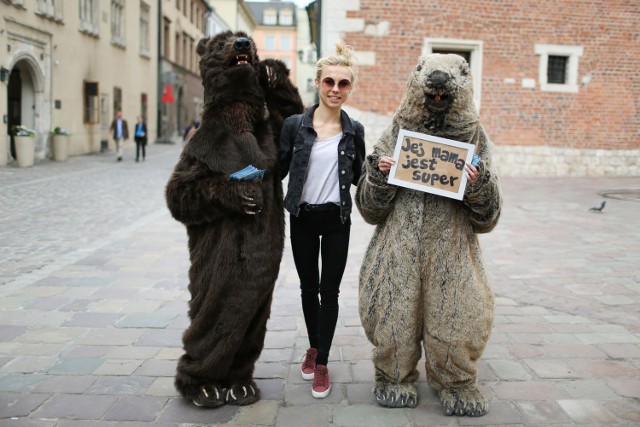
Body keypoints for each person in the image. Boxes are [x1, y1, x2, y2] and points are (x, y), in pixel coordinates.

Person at [278, 41, 365, 399]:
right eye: (329, 81)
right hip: (302, 218)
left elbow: (361, 176)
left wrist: (383, 167)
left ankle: (323, 361)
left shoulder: (354, 130)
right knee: (307, 289)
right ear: (318, 83)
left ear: (350, 88)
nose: (335, 89)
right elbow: (278, 168)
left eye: (343, 84)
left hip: (336, 220)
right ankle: (313, 345)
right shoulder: (294, 125)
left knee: (329, 293)